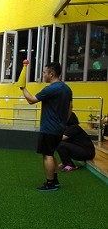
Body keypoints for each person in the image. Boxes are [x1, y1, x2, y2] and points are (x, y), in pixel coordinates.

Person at [20, 62, 73, 191]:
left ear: (51, 74)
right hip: (59, 128)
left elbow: (31, 100)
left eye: (44, 72)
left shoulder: (50, 89)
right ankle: (54, 181)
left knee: (47, 155)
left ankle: (50, 184)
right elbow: (70, 108)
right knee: (51, 153)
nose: (43, 75)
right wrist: (63, 122)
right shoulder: (67, 89)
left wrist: (22, 88)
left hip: (49, 129)